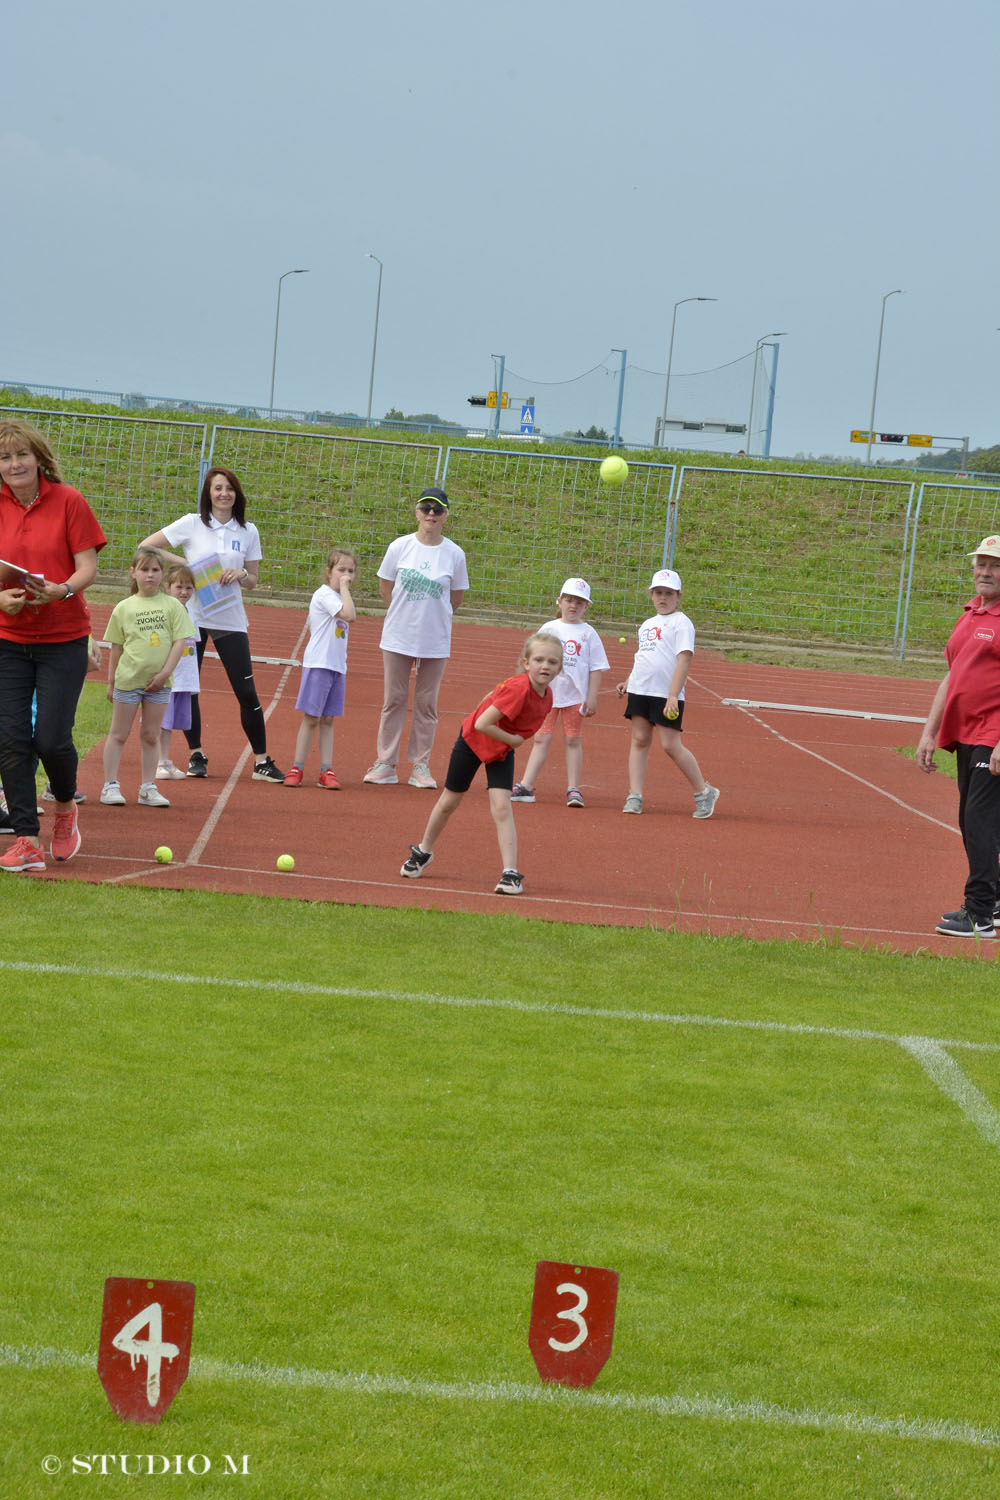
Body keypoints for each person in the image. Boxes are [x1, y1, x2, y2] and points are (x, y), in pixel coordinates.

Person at [0, 419, 106, 872]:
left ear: (39, 458)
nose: (14, 464)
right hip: (8, 638)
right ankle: (26, 838)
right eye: (5, 457)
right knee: (10, 739)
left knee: (51, 739)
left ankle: (65, 807)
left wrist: (60, 590)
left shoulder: (69, 501)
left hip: (63, 638)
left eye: (21, 454)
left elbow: (87, 568)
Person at [139, 466, 283, 782]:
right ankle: (196, 755)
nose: (223, 493)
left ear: (237, 494)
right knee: (189, 687)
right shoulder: (192, 524)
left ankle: (261, 761)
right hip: (191, 618)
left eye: (229, 488)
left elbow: (254, 579)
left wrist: (242, 574)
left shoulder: (248, 531)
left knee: (246, 690)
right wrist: (185, 564)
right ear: (209, 493)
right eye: (218, 488)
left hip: (230, 619)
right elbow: (147, 546)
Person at [399, 631, 563, 895]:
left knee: (501, 806)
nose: (545, 666)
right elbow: (481, 723)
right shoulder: (519, 688)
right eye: (539, 659)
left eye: (552, 662)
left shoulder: (547, 696)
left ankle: (510, 874)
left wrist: (509, 740)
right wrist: (513, 739)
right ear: (526, 663)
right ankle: (423, 851)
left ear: (560, 667)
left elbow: (493, 698)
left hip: (501, 748)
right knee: (449, 801)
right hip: (473, 741)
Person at [916, 535, 1000, 938]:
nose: (985, 572)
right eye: (981, 564)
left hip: (993, 735)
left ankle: (979, 913)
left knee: (979, 822)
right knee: (974, 823)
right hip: (966, 735)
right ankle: (995, 900)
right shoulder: (970, 613)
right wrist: (929, 731)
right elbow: (953, 674)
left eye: (995, 565)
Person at [365, 485, 469, 789]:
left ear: (446, 515)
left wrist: (432, 618)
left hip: (435, 639)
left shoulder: (454, 553)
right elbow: (387, 586)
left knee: (426, 704)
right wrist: (403, 614)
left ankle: (420, 765)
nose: (431, 515)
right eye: (426, 509)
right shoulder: (400, 547)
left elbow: (456, 597)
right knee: (394, 700)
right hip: (398, 635)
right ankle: (385, 762)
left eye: (438, 510)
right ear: (417, 513)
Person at [616, 568, 719, 819]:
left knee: (670, 745)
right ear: (651, 595)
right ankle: (635, 795)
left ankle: (704, 792)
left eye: (668, 593)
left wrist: (673, 694)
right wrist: (629, 680)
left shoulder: (682, 623)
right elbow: (645, 657)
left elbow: (684, 660)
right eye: (658, 593)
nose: (663, 598)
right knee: (639, 740)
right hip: (640, 690)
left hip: (666, 694)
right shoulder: (647, 624)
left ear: (678, 596)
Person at [100, 548, 192, 808]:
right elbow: (116, 647)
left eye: (155, 570)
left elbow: (179, 642)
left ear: (162, 574)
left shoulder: (172, 605)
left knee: (151, 735)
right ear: (133, 573)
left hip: (159, 684)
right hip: (128, 681)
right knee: (118, 733)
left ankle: (148, 787)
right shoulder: (123, 608)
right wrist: (111, 681)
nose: (149, 575)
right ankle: (110, 785)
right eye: (144, 570)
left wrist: (164, 674)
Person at [511, 576, 610, 808]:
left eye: (579, 601)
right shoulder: (549, 628)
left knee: (573, 740)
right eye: (568, 600)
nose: (573, 605)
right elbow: (534, 658)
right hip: (548, 695)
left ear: (587, 606)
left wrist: (592, 696)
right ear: (559, 601)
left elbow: (597, 667)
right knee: (541, 737)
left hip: (575, 697)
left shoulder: (589, 633)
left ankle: (573, 789)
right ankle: (526, 784)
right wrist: (529, 687)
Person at [283, 547, 357, 788]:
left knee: (328, 719)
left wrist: (345, 590)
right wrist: (344, 588)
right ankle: (297, 767)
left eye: (351, 571)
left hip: (337, 666)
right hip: (319, 664)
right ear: (329, 572)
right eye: (341, 570)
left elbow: (349, 613)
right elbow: (349, 615)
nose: (346, 575)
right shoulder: (324, 595)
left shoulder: (341, 597)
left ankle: (327, 770)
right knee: (311, 718)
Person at [156, 562, 199, 779]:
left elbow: (193, 645)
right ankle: (159, 761)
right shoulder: (166, 611)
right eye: (179, 587)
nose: (184, 592)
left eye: (188, 588)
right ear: (167, 587)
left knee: (171, 723)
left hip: (184, 678)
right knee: (162, 722)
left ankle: (166, 760)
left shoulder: (191, 612)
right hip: (169, 677)